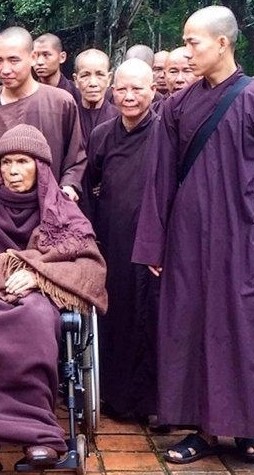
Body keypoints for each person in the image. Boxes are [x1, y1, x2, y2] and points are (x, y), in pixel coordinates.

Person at [131, 5, 254, 464]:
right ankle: (201, 429)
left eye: (193, 42)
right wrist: (156, 244)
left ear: (222, 43)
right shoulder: (178, 106)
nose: (186, 52)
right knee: (189, 329)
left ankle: (248, 427)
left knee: (242, 328)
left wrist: (251, 217)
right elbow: (160, 178)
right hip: (186, 240)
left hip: (241, 237)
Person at [0, 124, 107, 466]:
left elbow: (90, 264)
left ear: (40, 167)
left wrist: (37, 276)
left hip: (40, 296)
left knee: (36, 316)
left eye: (22, 162)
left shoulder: (62, 211)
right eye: (6, 162)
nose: (13, 171)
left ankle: (36, 430)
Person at [85, 59, 160, 421]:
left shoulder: (165, 132)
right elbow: (90, 183)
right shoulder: (102, 134)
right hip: (113, 238)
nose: (129, 97)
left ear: (153, 91)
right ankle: (114, 397)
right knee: (116, 314)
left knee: (151, 317)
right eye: (123, 89)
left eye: (138, 89)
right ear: (112, 91)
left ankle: (152, 404)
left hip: (152, 241)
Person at [0, 27, 85, 210]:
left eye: (13, 60)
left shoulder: (60, 104)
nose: (5, 69)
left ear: (32, 58)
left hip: (45, 210)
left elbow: (75, 160)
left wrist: (69, 186)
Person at [72, 48, 118, 146]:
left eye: (100, 75)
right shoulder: (69, 118)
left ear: (109, 79)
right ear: (76, 80)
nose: (93, 83)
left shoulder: (120, 119)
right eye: (85, 75)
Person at [33, 33, 79, 99]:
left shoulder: (77, 93)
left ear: (62, 57)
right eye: (35, 56)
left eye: (46, 55)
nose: (39, 62)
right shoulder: (26, 94)